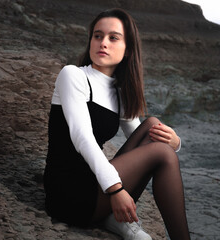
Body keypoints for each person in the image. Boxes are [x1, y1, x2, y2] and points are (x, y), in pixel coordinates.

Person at [43, 8, 191, 240]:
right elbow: (82, 138)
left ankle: (111, 217)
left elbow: (145, 140)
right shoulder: (73, 75)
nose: (103, 43)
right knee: (161, 153)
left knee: (152, 125)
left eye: (113, 38)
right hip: (69, 193)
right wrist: (116, 190)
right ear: (90, 40)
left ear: (128, 49)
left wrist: (176, 142)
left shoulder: (119, 92)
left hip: (94, 181)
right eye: (98, 35)